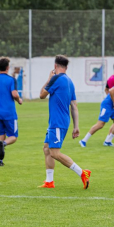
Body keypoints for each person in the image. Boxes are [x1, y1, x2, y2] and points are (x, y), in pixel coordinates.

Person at [39, 55, 91, 189]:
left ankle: (82, 173)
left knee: (55, 153)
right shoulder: (69, 81)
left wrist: (48, 79)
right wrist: (76, 126)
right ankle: (49, 181)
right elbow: (74, 105)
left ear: (55, 66)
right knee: (46, 148)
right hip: (60, 121)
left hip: (57, 122)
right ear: (66, 67)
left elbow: (41, 95)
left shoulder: (55, 78)